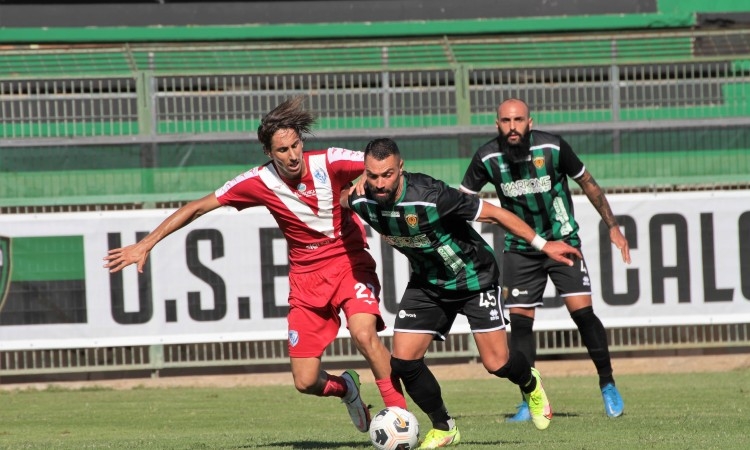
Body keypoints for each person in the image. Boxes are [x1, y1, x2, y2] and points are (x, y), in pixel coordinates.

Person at [103, 97, 406, 433]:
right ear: (268, 153)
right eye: (282, 150)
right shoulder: (258, 182)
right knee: (305, 381)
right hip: (306, 280)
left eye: (296, 145)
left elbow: (381, 165)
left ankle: (401, 417)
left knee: (364, 334)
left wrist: (367, 178)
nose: (292, 155)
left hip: (349, 264)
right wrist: (145, 245)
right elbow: (198, 207)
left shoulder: (330, 161)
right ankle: (346, 389)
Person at [344, 137, 582, 448]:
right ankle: (445, 427)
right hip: (428, 283)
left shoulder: (432, 196)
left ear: (401, 169)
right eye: (372, 175)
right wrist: (352, 182)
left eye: (387, 174)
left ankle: (529, 381)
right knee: (403, 362)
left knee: (497, 363)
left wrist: (543, 244)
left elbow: (494, 214)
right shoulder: (362, 200)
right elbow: (337, 197)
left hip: (474, 277)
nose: (379, 183)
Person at [459, 98, 631, 421]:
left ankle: (607, 383)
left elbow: (588, 183)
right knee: (521, 325)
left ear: (530, 122)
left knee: (583, 314)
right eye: (506, 121)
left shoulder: (553, 147)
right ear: (497, 124)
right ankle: (530, 400)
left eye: (519, 120)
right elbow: (462, 200)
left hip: (564, 242)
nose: (513, 127)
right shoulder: (487, 157)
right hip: (520, 248)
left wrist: (613, 226)